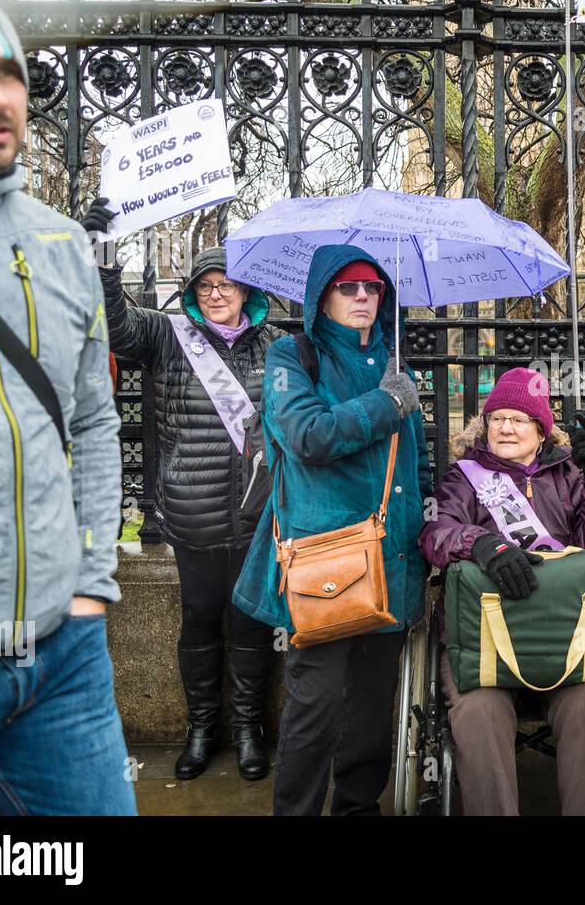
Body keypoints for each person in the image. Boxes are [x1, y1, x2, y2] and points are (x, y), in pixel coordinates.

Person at [0, 0, 134, 815]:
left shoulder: (59, 244)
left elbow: (92, 419)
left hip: (60, 659)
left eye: (8, 72)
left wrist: (91, 583)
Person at [83, 218, 285, 781]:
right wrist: (105, 266)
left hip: (255, 510)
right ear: (193, 294)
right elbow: (115, 328)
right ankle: (201, 729)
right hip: (193, 510)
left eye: (227, 284)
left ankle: (248, 730)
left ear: (246, 291)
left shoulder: (277, 345)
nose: (217, 294)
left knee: (249, 624)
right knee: (199, 619)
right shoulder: (167, 334)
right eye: (206, 286)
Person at [233, 243, 429, 815]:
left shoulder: (397, 367)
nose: (364, 296)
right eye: (350, 288)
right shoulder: (292, 358)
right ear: (323, 297)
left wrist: (423, 530)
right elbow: (308, 437)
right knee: (314, 709)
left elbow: (413, 461)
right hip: (325, 561)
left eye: (373, 287)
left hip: (391, 562)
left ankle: (357, 809)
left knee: (371, 711)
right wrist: (384, 405)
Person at [419, 367, 585, 815]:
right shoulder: (462, 477)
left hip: (566, 638)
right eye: (497, 418)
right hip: (483, 644)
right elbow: (435, 533)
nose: (506, 427)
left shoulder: (569, 475)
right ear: (485, 424)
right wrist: (483, 544)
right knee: (478, 713)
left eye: (519, 419)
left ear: (540, 429)